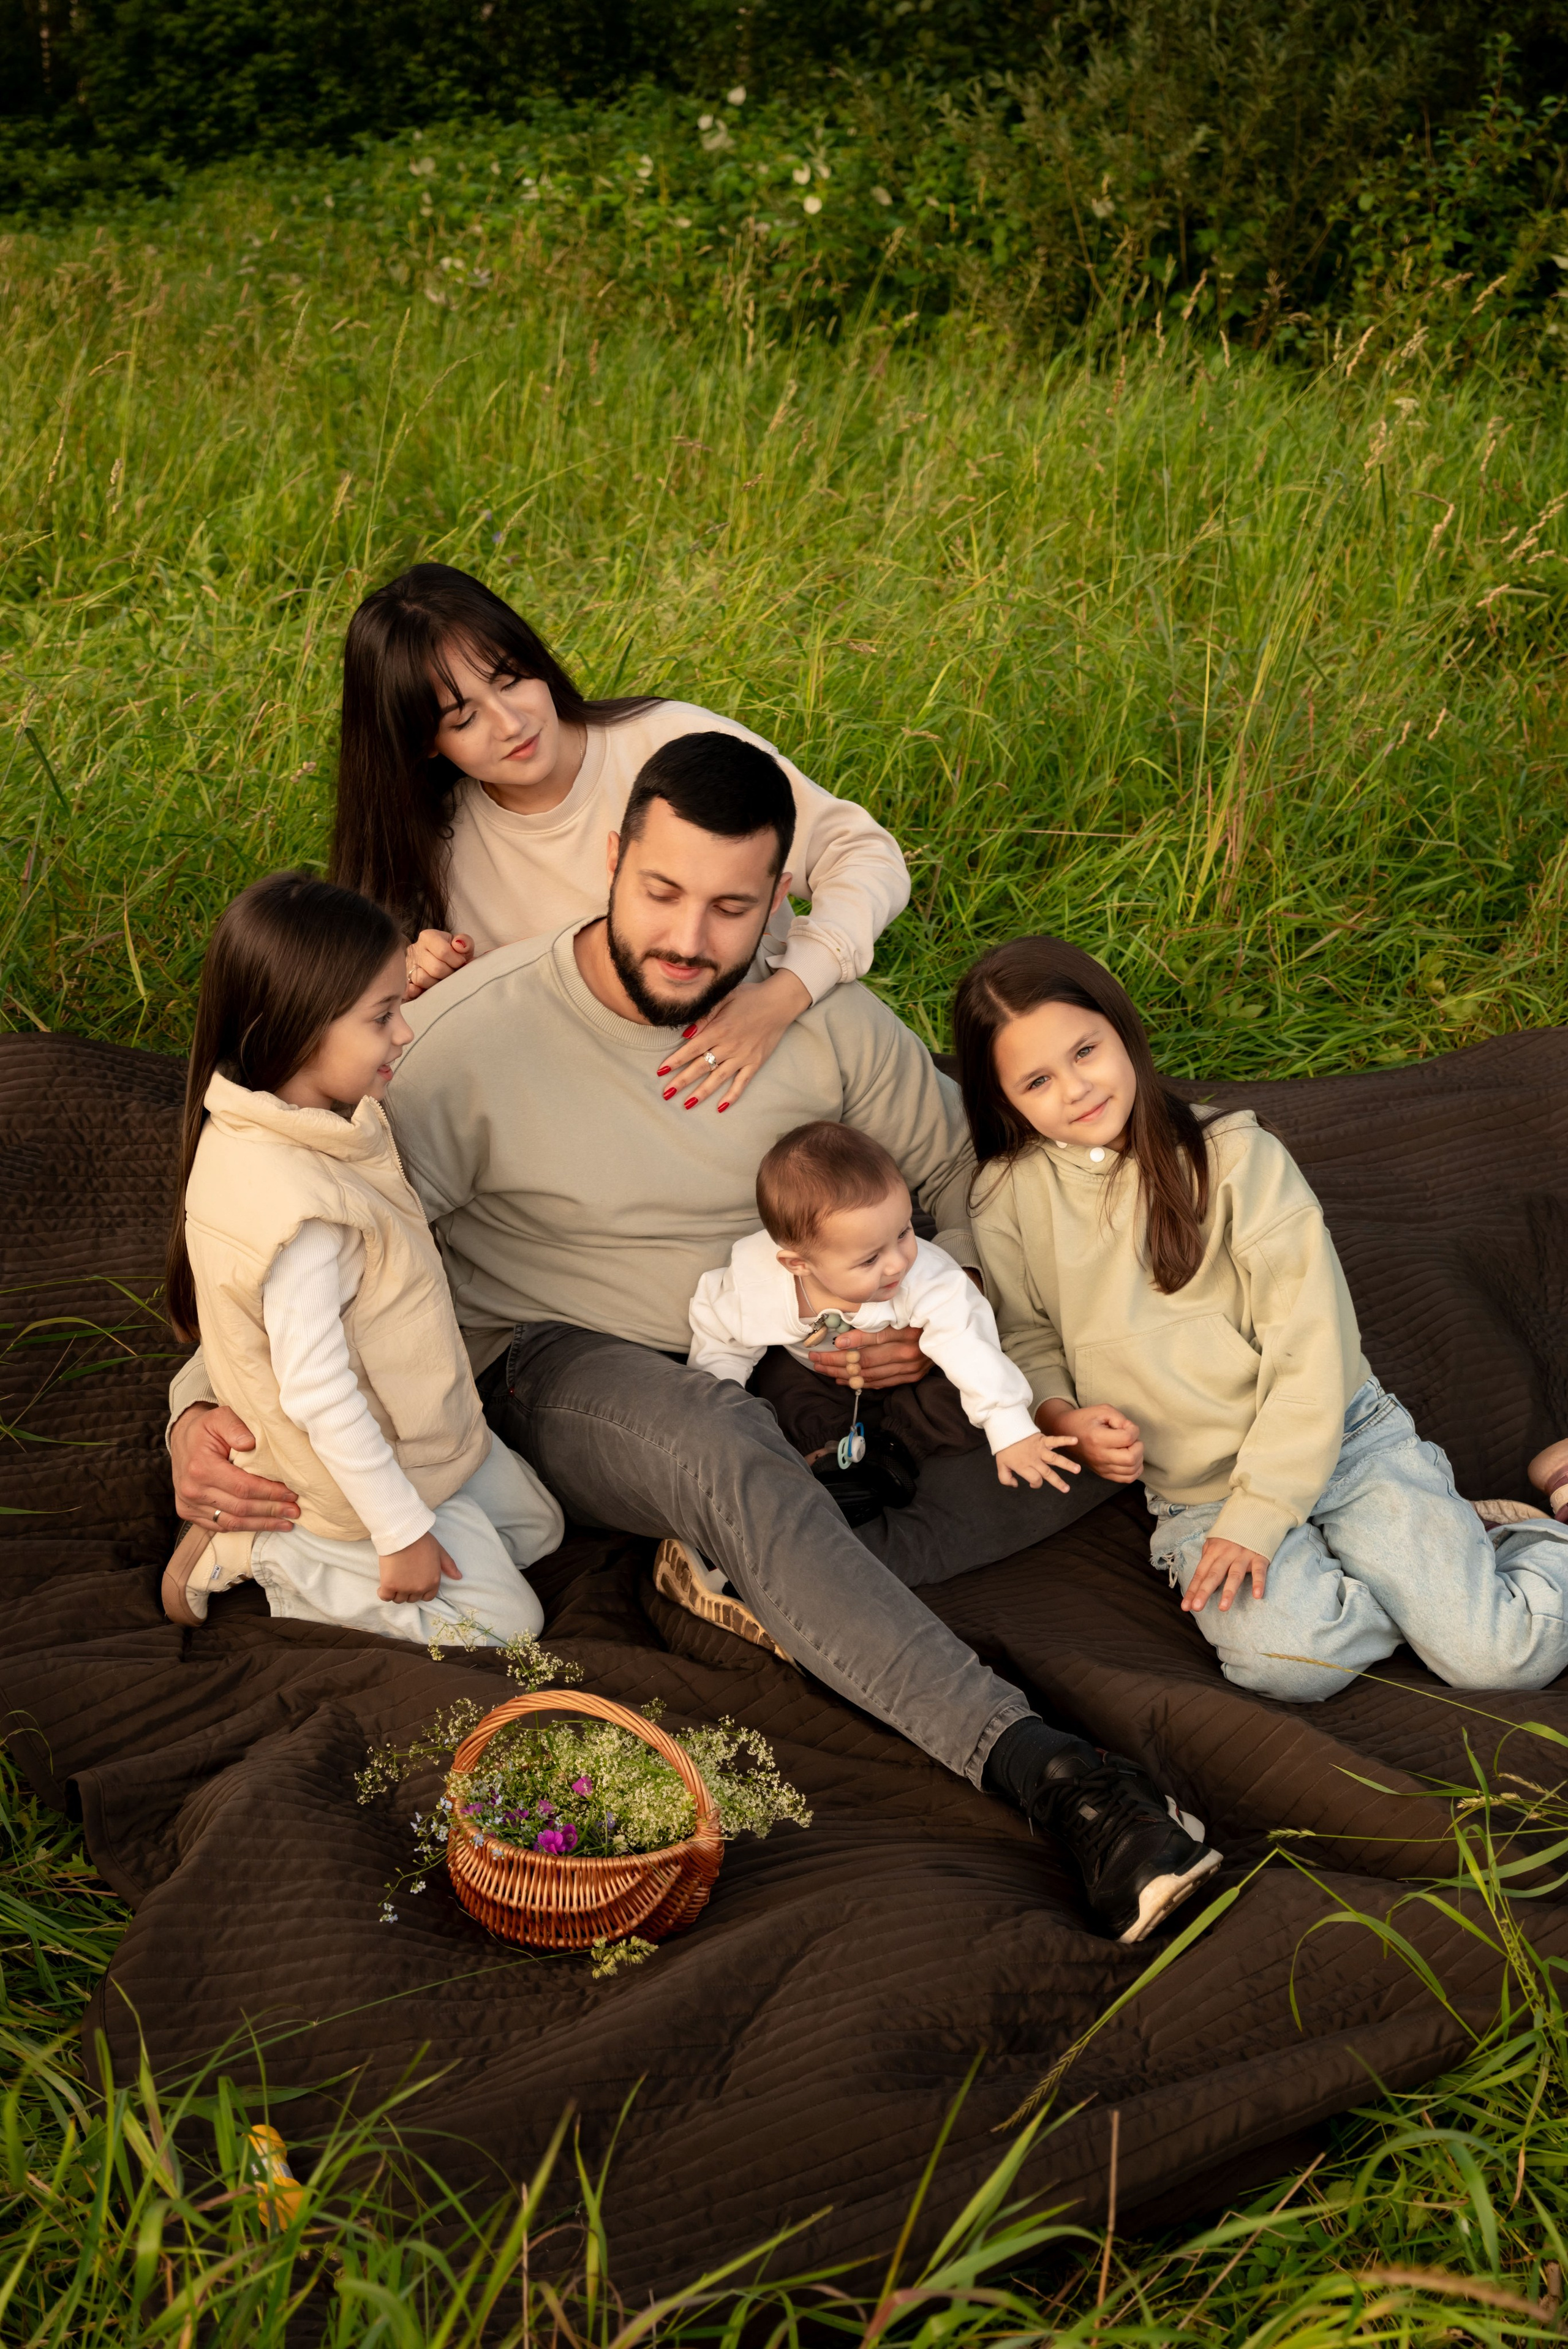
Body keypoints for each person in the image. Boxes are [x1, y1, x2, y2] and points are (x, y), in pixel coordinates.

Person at [168, 735, 1219, 1945]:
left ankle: (759, 1572)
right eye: (660, 892)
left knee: (1098, 1424)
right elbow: (297, 1233)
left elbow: (972, 1181)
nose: (688, 937)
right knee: (722, 1445)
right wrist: (195, 1409)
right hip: (575, 1366)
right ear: (611, 862)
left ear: (777, 902)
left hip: (811, 1346)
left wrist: (930, 1319)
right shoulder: (460, 1046)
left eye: (730, 908)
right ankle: (1059, 1778)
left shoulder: (826, 1025)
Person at [954, 933, 1568, 1702]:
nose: (1075, 1089)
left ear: (1121, 1029)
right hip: (1196, 1488)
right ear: (1003, 1098)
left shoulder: (1236, 1157)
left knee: (1498, 1657)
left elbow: (1313, 1352)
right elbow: (1026, 1334)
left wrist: (1262, 1517)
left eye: (1085, 1051)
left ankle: (1531, 1545)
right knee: (1287, 1663)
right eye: (1037, 1080)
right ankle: (1432, 1571)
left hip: (1341, 1442)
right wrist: (1060, 1414)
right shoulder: (1005, 1199)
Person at [329, 562, 910, 1114]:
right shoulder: (437, 849)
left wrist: (787, 994)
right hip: (595, 1122)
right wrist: (419, 979)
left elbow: (862, 854)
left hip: (768, 1074)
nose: (512, 723)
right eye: (465, 718)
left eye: (511, 680)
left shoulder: (670, 744)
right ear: (425, 743)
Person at [160, 871, 562, 1645]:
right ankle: (276, 1552)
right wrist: (398, 1529)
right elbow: (319, 1394)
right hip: (348, 1477)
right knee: (513, 1621)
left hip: (420, 1425)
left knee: (539, 1530)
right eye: (384, 1016)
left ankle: (421, 1525)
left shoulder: (309, 1124)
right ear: (303, 1028)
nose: (405, 1033)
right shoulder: (300, 1215)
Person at [687, 1120, 1081, 1517]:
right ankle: (824, 1457)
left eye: (904, 1231)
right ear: (799, 1264)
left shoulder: (926, 1275)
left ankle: (894, 1447)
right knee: (778, 1381)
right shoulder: (758, 1286)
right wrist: (719, 1420)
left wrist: (1010, 1428)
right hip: (819, 1371)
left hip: (916, 1373)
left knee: (965, 1385)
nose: (898, 1262)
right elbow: (721, 1338)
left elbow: (967, 1342)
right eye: (870, 1258)